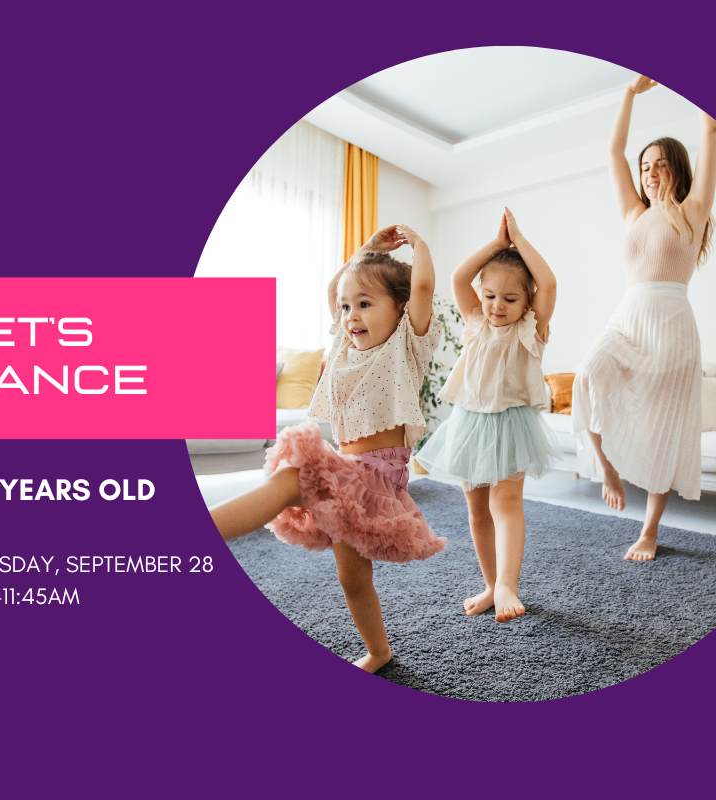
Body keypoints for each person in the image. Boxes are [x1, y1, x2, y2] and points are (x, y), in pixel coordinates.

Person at [210, 224, 447, 672]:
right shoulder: (343, 344)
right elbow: (333, 290)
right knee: (352, 577)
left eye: (365, 304)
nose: (351, 315)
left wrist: (420, 247)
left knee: (292, 479)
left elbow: (424, 286)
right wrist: (366, 251)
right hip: (348, 468)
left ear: (400, 310)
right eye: (346, 307)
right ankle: (380, 651)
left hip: (377, 475)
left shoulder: (406, 344)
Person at [571, 75, 716, 562]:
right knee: (587, 375)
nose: (649, 172)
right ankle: (608, 470)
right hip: (629, 319)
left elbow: (710, 131)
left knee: (664, 432)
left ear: (677, 168)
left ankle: (649, 529)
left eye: (659, 164)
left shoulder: (693, 211)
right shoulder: (634, 212)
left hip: (673, 327)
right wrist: (629, 95)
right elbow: (614, 152)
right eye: (645, 165)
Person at [416, 208, 560, 623]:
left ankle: (508, 584)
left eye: (511, 298)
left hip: (511, 426)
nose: (498, 305)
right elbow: (460, 277)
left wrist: (518, 237)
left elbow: (547, 282)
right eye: (491, 295)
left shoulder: (532, 327)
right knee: (477, 509)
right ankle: (491, 583)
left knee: (506, 502)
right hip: (469, 424)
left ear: (526, 302)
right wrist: (497, 245)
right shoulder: (475, 319)